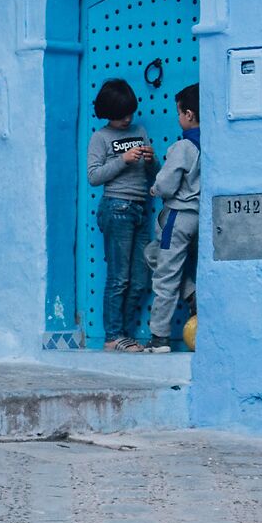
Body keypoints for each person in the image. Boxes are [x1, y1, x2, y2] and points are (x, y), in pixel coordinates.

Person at [85, 78, 156, 351]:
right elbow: (94, 176)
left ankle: (124, 334)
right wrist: (122, 161)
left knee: (140, 278)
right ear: (107, 114)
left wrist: (152, 161)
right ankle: (114, 336)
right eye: (119, 116)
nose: (127, 119)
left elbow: (154, 175)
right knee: (119, 277)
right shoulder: (100, 137)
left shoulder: (139, 130)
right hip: (116, 208)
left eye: (129, 113)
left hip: (139, 209)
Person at [139, 84, 202, 353]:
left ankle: (159, 337)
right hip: (201, 218)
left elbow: (166, 184)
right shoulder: (215, 143)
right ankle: (191, 293)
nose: (178, 118)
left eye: (179, 113)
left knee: (165, 276)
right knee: (153, 253)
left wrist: (155, 187)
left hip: (177, 218)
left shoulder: (183, 146)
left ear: (188, 115)